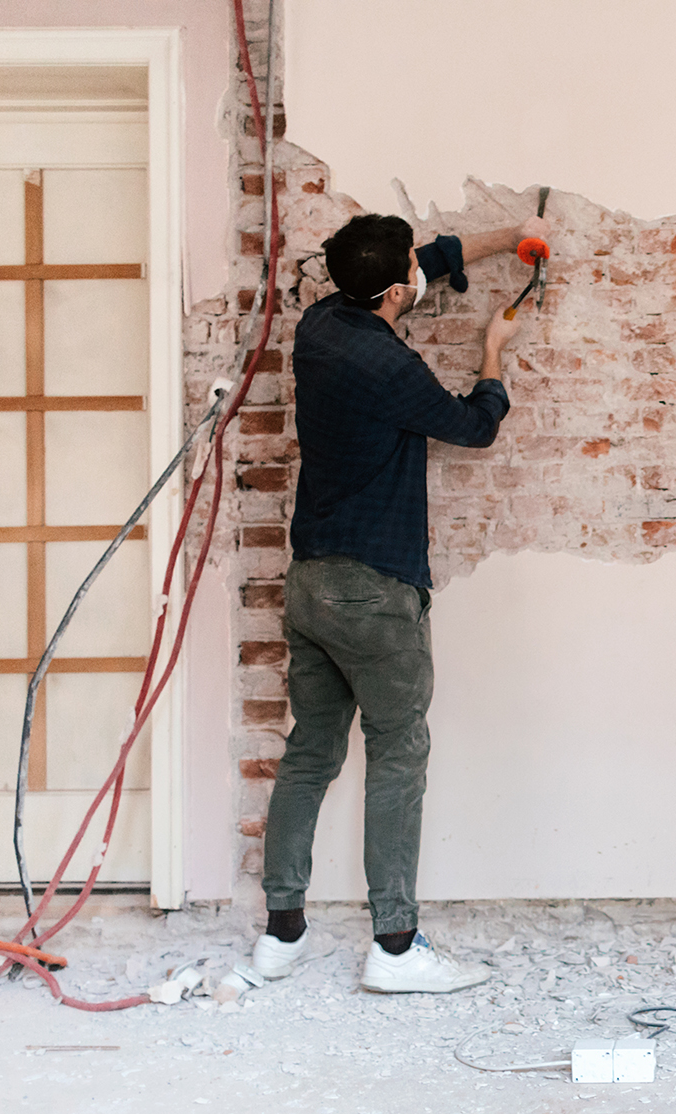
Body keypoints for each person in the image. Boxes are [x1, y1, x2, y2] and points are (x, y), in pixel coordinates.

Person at [248, 211, 546, 994]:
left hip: (309, 582)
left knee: (310, 752)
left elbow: (426, 258)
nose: (420, 272)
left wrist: (510, 234)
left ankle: (279, 937)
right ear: (390, 291)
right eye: (409, 270)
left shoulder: (318, 326)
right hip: (374, 588)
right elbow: (472, 426)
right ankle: (395, 947)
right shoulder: (389, 370)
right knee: (397, 757)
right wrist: (492, 354)